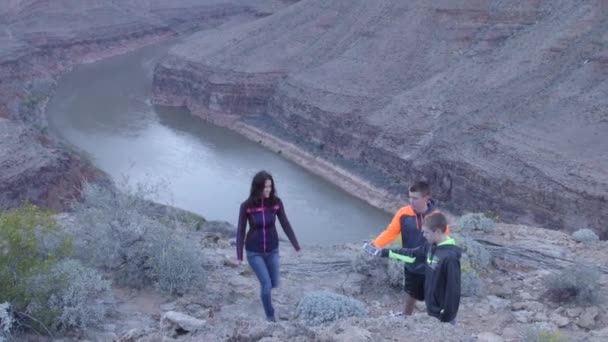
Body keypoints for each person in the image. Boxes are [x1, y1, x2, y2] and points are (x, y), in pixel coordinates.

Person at [370, 181, 448, 315]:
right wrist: (375, 245)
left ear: (426, 198)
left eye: (415, 198)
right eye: (410, 197)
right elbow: (390, 232)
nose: (411, 201)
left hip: (430, 263)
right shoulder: (403, 213)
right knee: (412, 291)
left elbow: (442, 242)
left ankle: (441, 320)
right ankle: (406, 317)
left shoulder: (437, 217)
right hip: (410, 261)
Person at [236, 170, 301, 322]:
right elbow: (240, 231)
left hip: (272, 250)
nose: (268, 190)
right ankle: (270, 316)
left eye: (270, 187)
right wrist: (239, 256)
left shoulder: (276, 203)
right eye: (265, 187)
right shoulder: (246, 206)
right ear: (257, 187)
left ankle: (266, 300)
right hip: (254, 252)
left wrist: (296, 245)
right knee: (266, 285)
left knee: (274, 283)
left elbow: (285, 223)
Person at [379, 212, 461, 324]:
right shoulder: (430, 247)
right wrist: (383, 252)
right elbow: (411, 255)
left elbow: (453, 290)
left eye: (426, 232)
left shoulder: (450, 258)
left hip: (443, 316)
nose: (423, 235)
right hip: (431, 310)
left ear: (437, 231)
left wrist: (446, 316)